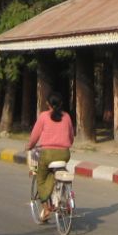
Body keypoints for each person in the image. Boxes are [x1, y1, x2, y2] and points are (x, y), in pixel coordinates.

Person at [26, 93, 75, 221]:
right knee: (58, 171)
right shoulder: (67, 117)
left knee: (41, 178)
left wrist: (29, 146)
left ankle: (45, 207)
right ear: (61, 104)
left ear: (48, 104)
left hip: (47, 154)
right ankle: (63, 196)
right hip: (64, 154)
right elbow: (71, 137)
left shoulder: (43, 116)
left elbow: (35, 135)